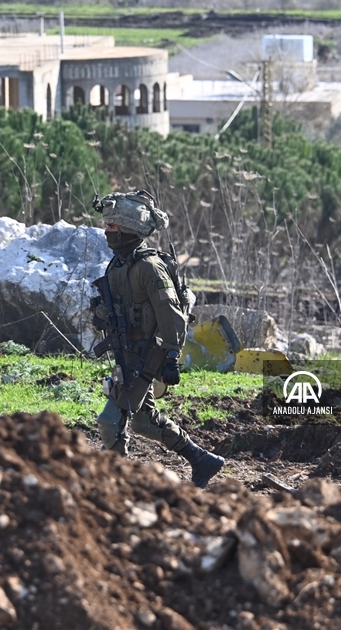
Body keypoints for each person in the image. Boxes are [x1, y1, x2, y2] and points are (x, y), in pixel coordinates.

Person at [92, 191, 225, 488]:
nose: (107, 231)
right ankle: (201, 459)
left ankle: (116, 484)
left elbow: (171, 316)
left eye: (112, 227)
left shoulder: (149, 268)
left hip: (147, 355)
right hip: (126, 352)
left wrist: (170, 358)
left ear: (128, 229)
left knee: (110, 420)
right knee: (143, 421)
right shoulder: (117, 265)